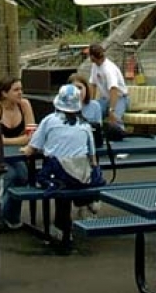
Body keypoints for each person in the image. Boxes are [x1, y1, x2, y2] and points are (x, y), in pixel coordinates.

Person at [22, 84, 99, 241]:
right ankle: (87, 200)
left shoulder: (49, 121)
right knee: (76, 182)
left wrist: (26, 149)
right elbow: (92, 157)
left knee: (57, 183)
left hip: (57, 174)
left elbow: (32, 149)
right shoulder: (84, 124)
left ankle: (62, 229)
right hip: (80, 175)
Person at [0, 77, 36, 229]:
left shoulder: (25, 105)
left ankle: (11, 216)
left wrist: (7, 140)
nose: (20, 93)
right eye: (16, 90)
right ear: (4, 93)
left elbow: (32, 136)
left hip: (17, 154)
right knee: (9, 175)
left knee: (22, 174)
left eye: (21, 89)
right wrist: (20, 139)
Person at [88, 43, 128, 132]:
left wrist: (111, 110)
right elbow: (92, 84)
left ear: (92, 57)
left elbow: (114, 90)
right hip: (105, 99)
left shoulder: (109, 69)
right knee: (92, 114)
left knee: (115, 119)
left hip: (119, 98)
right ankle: (96, 134)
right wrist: (91, 103)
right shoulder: (95, 66)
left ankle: (119, 133)